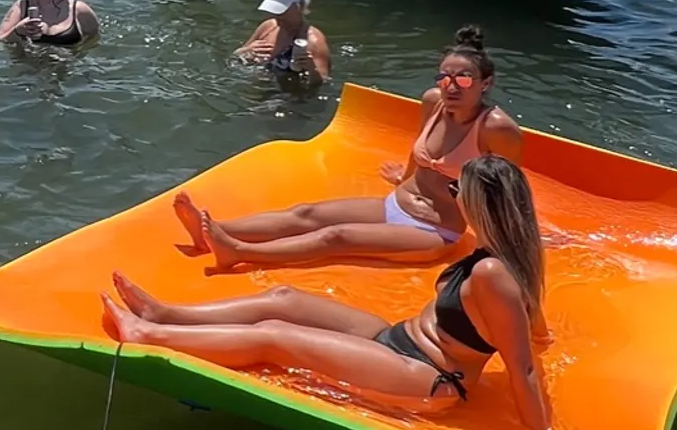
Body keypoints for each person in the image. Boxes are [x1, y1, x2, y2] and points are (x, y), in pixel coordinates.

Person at [103, 156, 551, 430]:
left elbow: (522, 366)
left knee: (275, 337)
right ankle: (167, 314)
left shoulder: (494, 274)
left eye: (458, 192)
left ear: (480, 204)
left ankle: (149, 333)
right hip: (400, 339)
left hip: (429, 377)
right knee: (285, 299)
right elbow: (532, 331)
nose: (451, 199)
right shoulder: (501, 257)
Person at [177, 27, 520, 270]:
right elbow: (420, 151)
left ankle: (237, 252)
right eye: (444, 77)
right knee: (306, 213)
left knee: (335, 237)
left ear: (485, 83)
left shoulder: (495, 127)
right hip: (396, 204)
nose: (451, 86)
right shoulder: (433, 102)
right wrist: (405, 175)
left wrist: (516, 236)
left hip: (434, 230)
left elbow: (507, 189)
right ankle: (213, 228)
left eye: (463, 78)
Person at [233, 0, 330, 78]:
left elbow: (323, 80)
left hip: (288, 95)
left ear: (300, 5)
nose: (276, 15)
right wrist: (246, 51)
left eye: (282, 10)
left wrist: (311, 69)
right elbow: (236, 57)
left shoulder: (314, 41)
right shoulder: (268, 26)